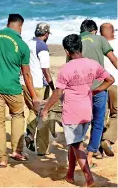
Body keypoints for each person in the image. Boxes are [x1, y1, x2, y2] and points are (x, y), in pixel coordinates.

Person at [41, 34, 114, 187]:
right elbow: (110, 80)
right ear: (81, 47)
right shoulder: (92, 64)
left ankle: (89, 179)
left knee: (76, 145)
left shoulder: (66, 68)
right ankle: (70, 175)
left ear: (67, 52)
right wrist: (95, 91)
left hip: (72, 113)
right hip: (87, 112)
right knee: (74, 144)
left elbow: (58, 92)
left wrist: (46, 108)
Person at [0, 14, 39, 167]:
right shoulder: (22, 45)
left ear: (7, 23)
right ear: (20, 26)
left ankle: (2, 159)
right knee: (17, 115)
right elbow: (26, 74)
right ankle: (16, 151)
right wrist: (34, 95)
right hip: (13, 88)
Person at [79, 19, 117, 167]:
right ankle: (90, 156)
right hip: (100, 87)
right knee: (98, 122)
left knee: (82, 121)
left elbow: (70, 66)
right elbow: (113, 60)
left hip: (81, 89)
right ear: (94, 30)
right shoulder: (100, 39)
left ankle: (77, 152)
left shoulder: (75, 40)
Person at [21, 23, 55, 156]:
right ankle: (42, 148)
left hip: (25, 82)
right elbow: (45, 70)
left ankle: (29, 135)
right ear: (46, 34)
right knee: (43, 113)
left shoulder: (27, 44)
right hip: (38, 85)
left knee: (32, 110)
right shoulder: (42, 47)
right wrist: (53, 88)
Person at [99, 23, 118, 157]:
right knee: (115, 114)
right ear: (112, 32)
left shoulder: (96, 44)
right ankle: (107, 140)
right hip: (115, 84)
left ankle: (97, 150)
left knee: (100, 116)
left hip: (100, 84)